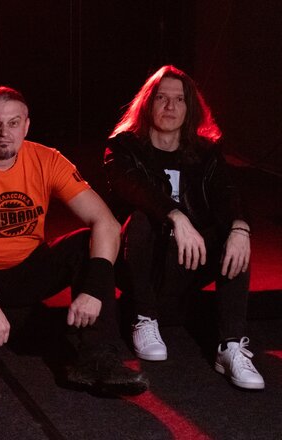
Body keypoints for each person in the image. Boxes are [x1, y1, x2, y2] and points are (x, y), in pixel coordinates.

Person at [0, 86, 148, 402]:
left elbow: (105, 223)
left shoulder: (47, 159)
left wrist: (94, 289)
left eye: (13, 123)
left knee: (87, 244)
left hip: (28, 272)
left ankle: (97, 359)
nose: (4, 133)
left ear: (26, 126)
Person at [104, 65, 264, 390]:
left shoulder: (205, 152)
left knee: (235, 236)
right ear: (147, 104)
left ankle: (230, 345)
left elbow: (228, 192)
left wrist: (240, 228)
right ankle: (144, 317)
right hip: (138, 261)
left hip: (188, 261)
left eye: (179, 99)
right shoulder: (123, 148)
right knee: (141, 219)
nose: (170, 107)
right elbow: (135, 189)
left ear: (190, 108)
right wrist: (176, 217)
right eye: (161, 98)